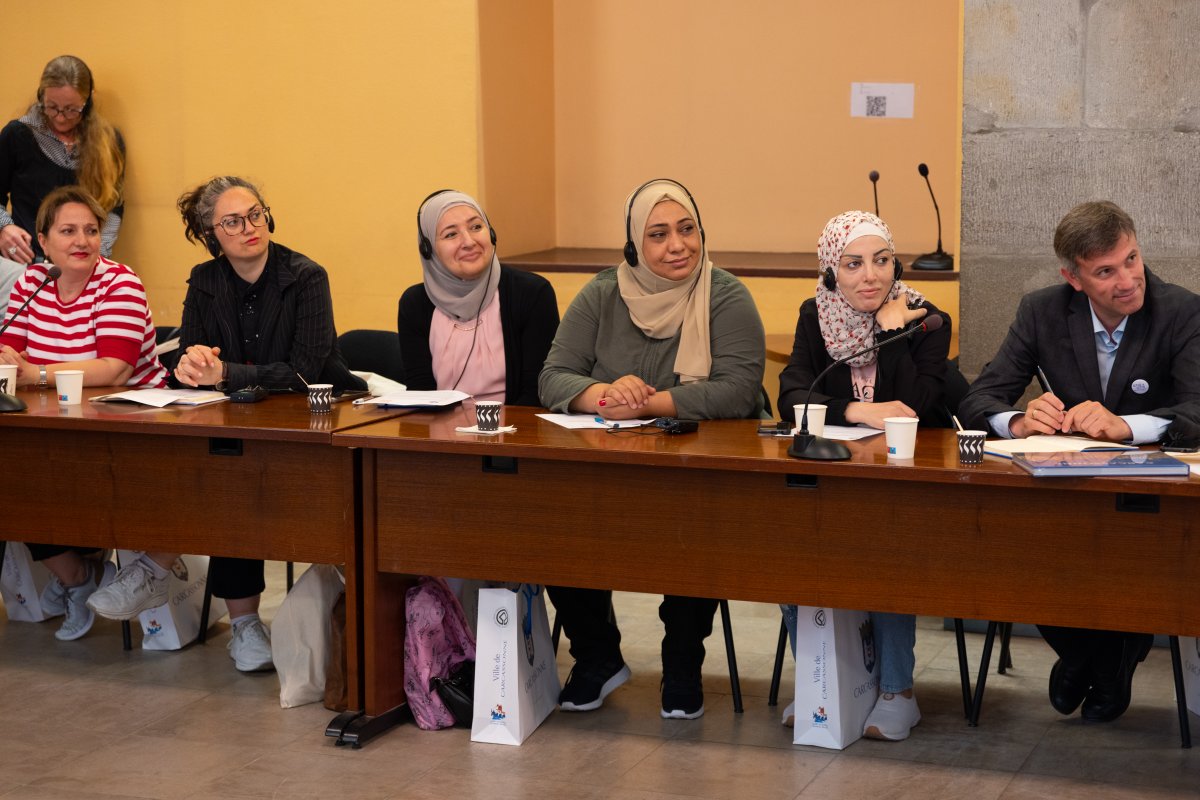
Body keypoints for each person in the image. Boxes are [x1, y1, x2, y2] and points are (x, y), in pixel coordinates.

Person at [86, 175, 365, 672]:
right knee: (222, 465)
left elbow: (304, 368)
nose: (249, 227)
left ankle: (159, 568)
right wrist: (191, 367)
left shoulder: (305, 276)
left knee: (235, 471)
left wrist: (226, 373)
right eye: (232, 222)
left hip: (313, 420)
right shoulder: (206, 279)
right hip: (239, 421)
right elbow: (192, 351)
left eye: (255, 214)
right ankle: (241, 624)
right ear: (212, 234)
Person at [959, 200, 1200, 723]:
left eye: (1132, 259)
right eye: (1106, 272)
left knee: (1135, 559)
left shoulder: (1181, 310)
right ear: (1073, 278)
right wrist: (1018, 421)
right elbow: (978, 398)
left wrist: (1129, 425)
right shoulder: (1041, 311)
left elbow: (1198, 407)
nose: (1128, 280)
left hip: (1145, 504)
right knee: (1012, 545)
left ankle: (1098, 660)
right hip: (1061, 497)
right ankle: (1094, 656)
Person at [538, 178, 765, 719]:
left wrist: (649, 402)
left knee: (693, 527)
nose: (677, 245)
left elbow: (738, 390)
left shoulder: (727, 295)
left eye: (687, 229)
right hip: (608, 466)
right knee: (552, 522)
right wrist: (604, 394)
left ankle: (682, 661)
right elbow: (552, 376)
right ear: (634, 246)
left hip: (698, 470)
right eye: (658, 234)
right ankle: (596, 658)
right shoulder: (600, 294)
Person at [776, 210, 951, 741]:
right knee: (785, 557)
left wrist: (892, 331)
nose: (870, 276)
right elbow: (790, 395)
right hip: (834, 476)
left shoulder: (926, 319)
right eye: (853, 264)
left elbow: (916, 404)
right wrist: (855, 411)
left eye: (882, 261)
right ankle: (819, 679)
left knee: (887, 558)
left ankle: (898, 690)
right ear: (832, 271)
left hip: (904, 484)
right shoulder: (815, 314)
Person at [0, 185, 167, 641]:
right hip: (51, 424)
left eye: (91, 231)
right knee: (13, 476)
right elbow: (9, 348)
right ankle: (77, 576)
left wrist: (34, 372)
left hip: (129, 425)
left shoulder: (120, 282)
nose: (82, 241)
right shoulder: (31, 283)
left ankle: (86, 571)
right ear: (42, 240)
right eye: (68, 231)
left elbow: (113, 369)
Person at [398, 189, 559, 405]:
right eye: (451, 234)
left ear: (491, 233)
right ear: (428, 250)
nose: (469, 241)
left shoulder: (532, 293)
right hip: (440, 434)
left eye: (476, 227)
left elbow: (537, 391)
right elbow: (421, 395)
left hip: (513, 431)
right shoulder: (415, 304)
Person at [0, 55, 125, 265]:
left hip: (84, 265)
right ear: (41, 96)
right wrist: (4, 228)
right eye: (51, 106)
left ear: (88, 102)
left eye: (71, 109)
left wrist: (98, 256)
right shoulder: (18, 134)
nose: (59, 117)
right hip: (25, 262)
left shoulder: (108, 141)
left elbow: (114, 205)